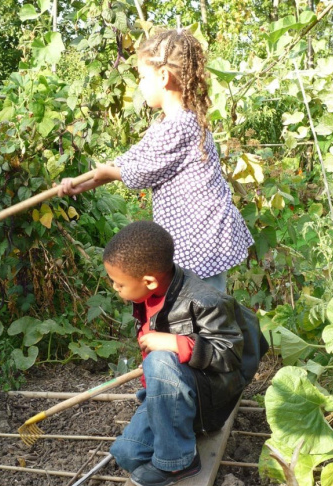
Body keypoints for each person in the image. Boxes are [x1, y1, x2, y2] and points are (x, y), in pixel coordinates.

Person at [58, 29, 253, 294]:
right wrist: (82, 184)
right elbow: (131, 159)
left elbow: (141, 173)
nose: (139, 85)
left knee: (204, 307)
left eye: (142, 77)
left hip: (202, 238)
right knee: (190, 305)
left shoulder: (181, 125)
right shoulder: (167, 123)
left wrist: (109, 173)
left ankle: (203, 337)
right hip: (192, 236)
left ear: (163, 76)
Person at [102, 221, 267, 486]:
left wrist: (175, 343)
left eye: (119, 284)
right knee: (127, 455)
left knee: (160, 358)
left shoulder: (204, 300)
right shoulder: (144, 296)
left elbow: (229, 356)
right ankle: (171, 421)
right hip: (171, 394)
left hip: (208, 400)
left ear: (149, 281)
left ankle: (178, 462)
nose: (114, 288)